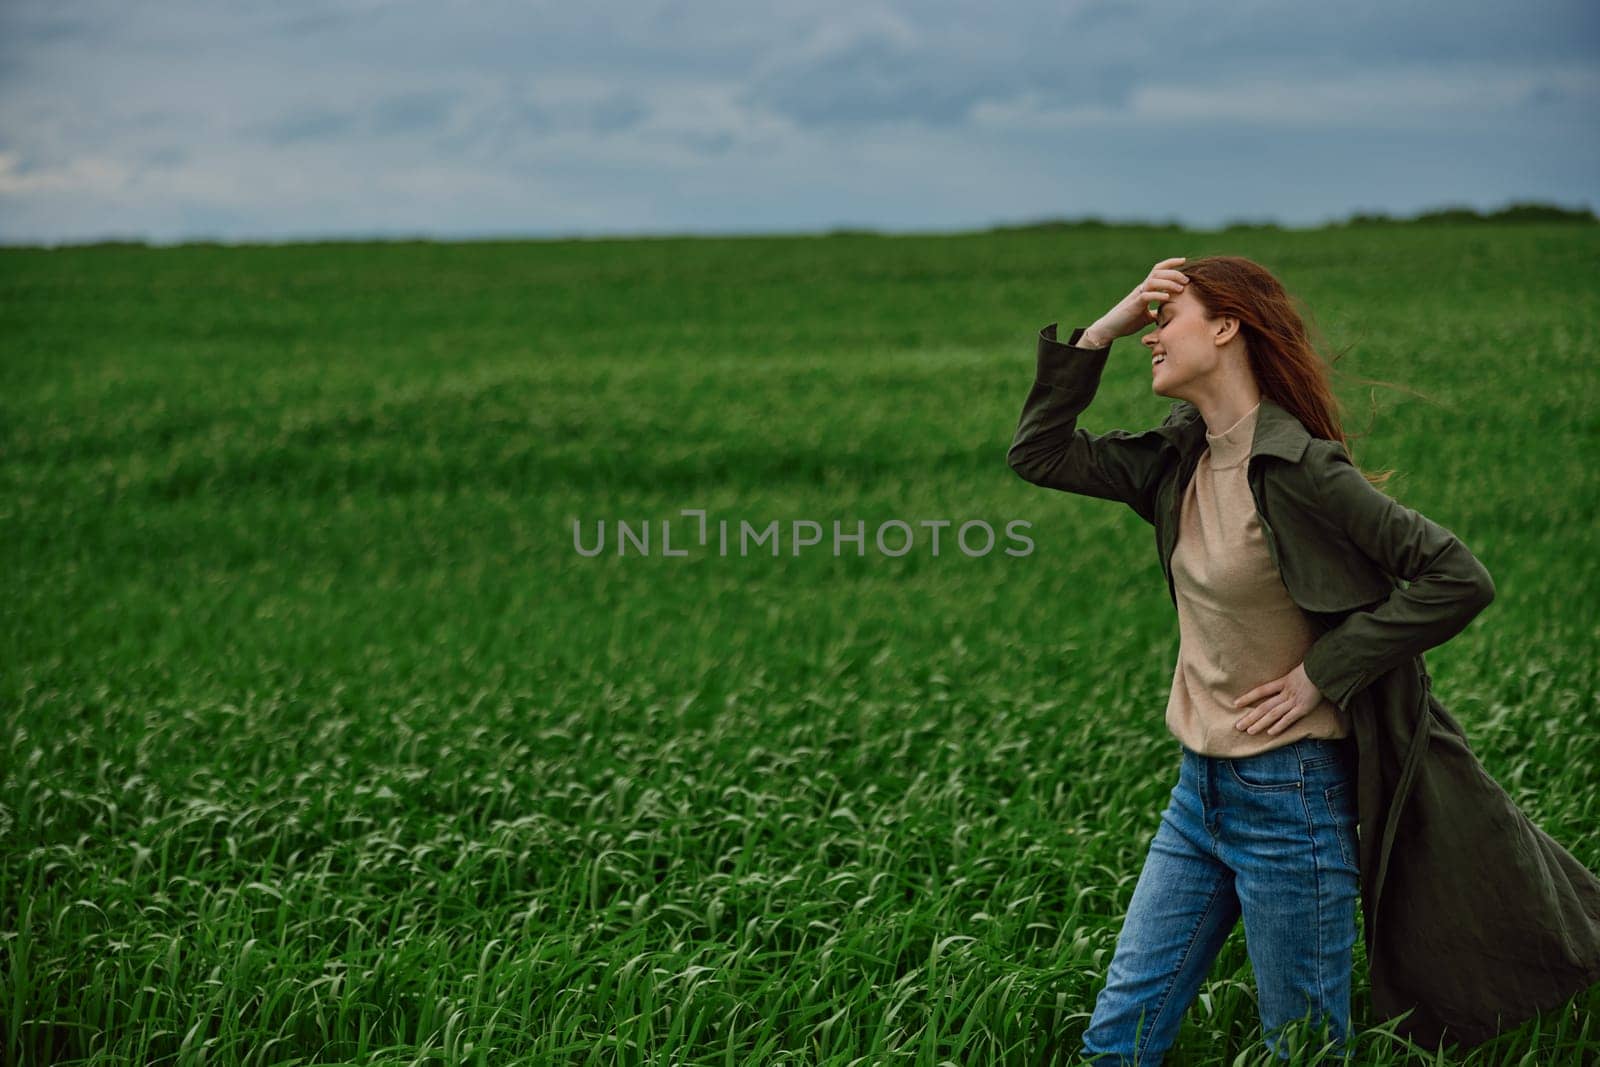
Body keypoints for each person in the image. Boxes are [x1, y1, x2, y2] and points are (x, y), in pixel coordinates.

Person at [1007, 256, 1437, 1063]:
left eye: (1167, 318)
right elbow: (1039, 454)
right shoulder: (1179, 461)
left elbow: (1454, 577)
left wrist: (1323, 674)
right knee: (1115, 1044)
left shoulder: (1305, 469)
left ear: (1228, 327)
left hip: (1291, 799)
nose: (1152, 336)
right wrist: (1103, 328)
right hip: (1197, 796)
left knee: (1301, 1051)